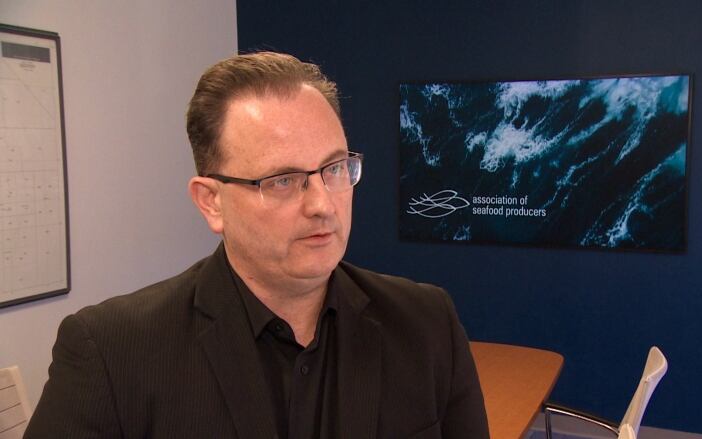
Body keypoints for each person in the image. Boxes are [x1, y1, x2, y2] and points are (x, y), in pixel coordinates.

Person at [25, 51, 488, 439]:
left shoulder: (426, 323)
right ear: (211, 202)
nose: (323, 204)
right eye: (283, 180)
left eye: (334, 168)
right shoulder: (111, 352)